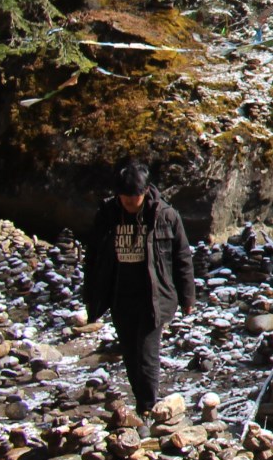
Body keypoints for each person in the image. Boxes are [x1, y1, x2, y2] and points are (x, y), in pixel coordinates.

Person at [83, 159, 195, 411]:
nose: (130, 205)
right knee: (130, 354)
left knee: (146, 354)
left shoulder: (165, 216)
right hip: (120, 295)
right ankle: (141, 401)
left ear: (145, 192)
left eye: (135, 200)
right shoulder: (108, 214)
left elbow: (182, 257)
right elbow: (94, 257)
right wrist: (91, 295)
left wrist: (188, 297)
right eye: (125, 200)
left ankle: (147, 406)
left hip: (153, 297)